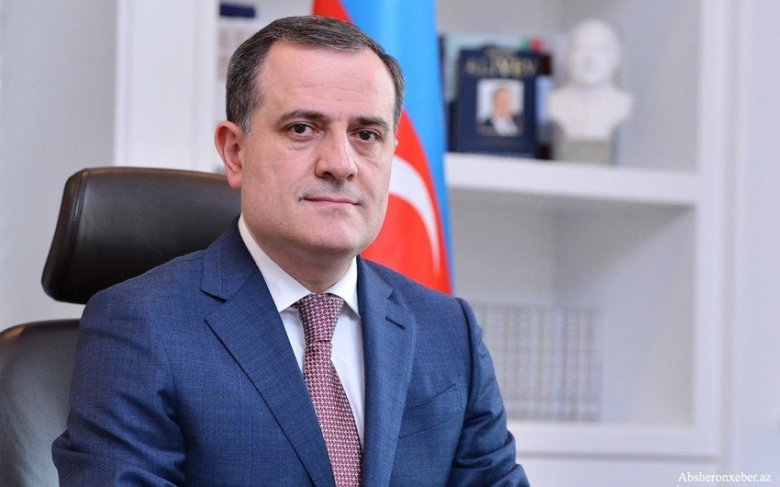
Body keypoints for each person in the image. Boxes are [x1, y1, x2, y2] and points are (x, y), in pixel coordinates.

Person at [52, 15, 529, 486]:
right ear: (235, 152)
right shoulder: (141, 324)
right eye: (303, 128)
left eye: (366, 135)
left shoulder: (449, 331)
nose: (340, 164)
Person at [548, 18, 633, 140]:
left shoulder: (625, 104)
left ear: (617, 57)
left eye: (600, 49)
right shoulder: (552, 102)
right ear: (567, 55)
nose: (589, 58)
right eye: (580, 48)